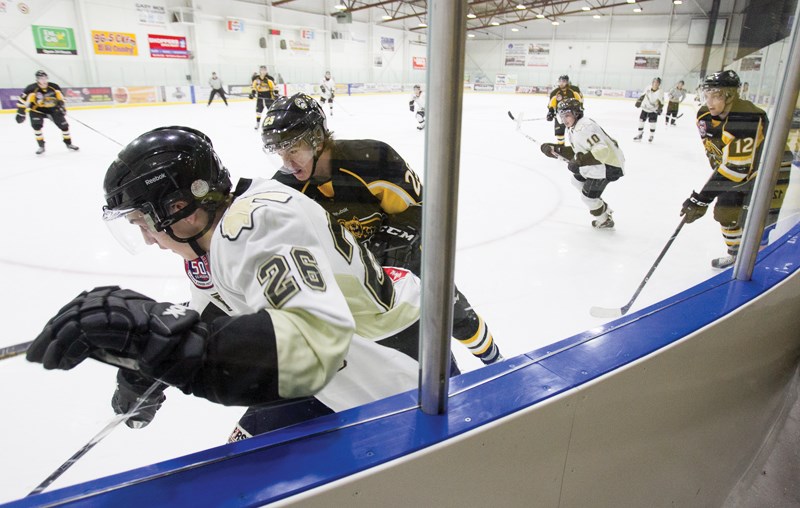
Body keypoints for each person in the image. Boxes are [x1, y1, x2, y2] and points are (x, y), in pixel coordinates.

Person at [26, 126, 425, 441]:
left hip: (395, 366)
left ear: (180, 208)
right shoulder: (215, 236)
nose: (148, 238)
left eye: (144, 223)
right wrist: (145, 370)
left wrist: (158, 343)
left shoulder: (258, 227)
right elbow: (207, 307)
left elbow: (314, 343)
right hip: (354, 361)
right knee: (247, 455)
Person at [264, 93, 503, 365]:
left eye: (293, 150)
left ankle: (496, 361)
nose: (287, 163)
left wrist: (386, 244)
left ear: (317, 137)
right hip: (359, 279)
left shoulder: (373, 160)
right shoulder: (284, 188)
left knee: (455, 315)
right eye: (280, 153)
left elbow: (424, 210)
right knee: (396, 345)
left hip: (409, 257)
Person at [679, 70, 769, 269]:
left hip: (761, 175)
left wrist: (701, 198)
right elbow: (720, 156)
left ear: (731, 95)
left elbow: (737, 170)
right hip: (735, 172)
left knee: (757, 219)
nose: (710, 102)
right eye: (707, 94)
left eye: (717, 95)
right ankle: (737, 256)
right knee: (725, 213)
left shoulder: (746, 118)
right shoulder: (704, 114)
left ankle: (758, 258)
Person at [540, 98, 625, 229]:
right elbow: (577, 150)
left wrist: (580, 161)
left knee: (588, 198)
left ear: (576, 113)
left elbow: (602, 151)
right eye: (562, 116)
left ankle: (604, 219)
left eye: (567, 115)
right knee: (576, 180)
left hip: (609, 166)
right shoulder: (575, 126)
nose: (564, 120)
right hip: (600, 164)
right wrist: (554, 149)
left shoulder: (584, 127)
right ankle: (600, 205)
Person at [15, 70, 79, 155]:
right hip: (37, 110)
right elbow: (21, 101)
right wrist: (21, 113)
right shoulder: (31, 89)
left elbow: (61, 98)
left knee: (64, 126)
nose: (44, 80)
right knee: (36, 127)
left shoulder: (54, 86)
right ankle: (41, 146)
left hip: (52, 109)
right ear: (37, 79)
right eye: (41, 78)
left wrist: (62, 107)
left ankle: (68, 143)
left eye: (45, 78)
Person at [546, 75, 583, 145]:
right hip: (560, 116)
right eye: (560, 81)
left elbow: (580, 103)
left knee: (575, 132)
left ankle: (577, 147)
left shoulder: (573, 91)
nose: (561, 83)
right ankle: (561, 146)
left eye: (563, 81)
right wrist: (550, 112)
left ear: (567, 82)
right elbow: (551, 104)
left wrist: (580, 111)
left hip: (572, 116)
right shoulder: (555, 92)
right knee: (559, 132)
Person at [633, 77, 665, 143]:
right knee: (641, 121)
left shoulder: (660, 92)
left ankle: (651, 136)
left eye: (657, 83)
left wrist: (660, 109)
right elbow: (642, 95)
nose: (655, 84)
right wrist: (638, 101)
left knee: (652, 123)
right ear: (652, 82)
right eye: (654, 82)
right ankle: (639, 134)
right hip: (645, 108)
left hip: (653, 110)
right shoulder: (648, 88)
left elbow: (661, 102)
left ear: (659, 84)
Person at [249, 65, 277, 129]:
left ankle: (272, 124)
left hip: (268, 97)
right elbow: (253, 87)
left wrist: (275, 93)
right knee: (258, 112)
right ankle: (257, 124)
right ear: (260, 71)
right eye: (262, 70)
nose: (263, 71)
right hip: (260, 97)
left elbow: (274, 87)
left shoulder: (269, 79)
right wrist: (252, 93)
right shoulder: (256, 79)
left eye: (264, 70)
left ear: (266, 71)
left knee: (271, 112)